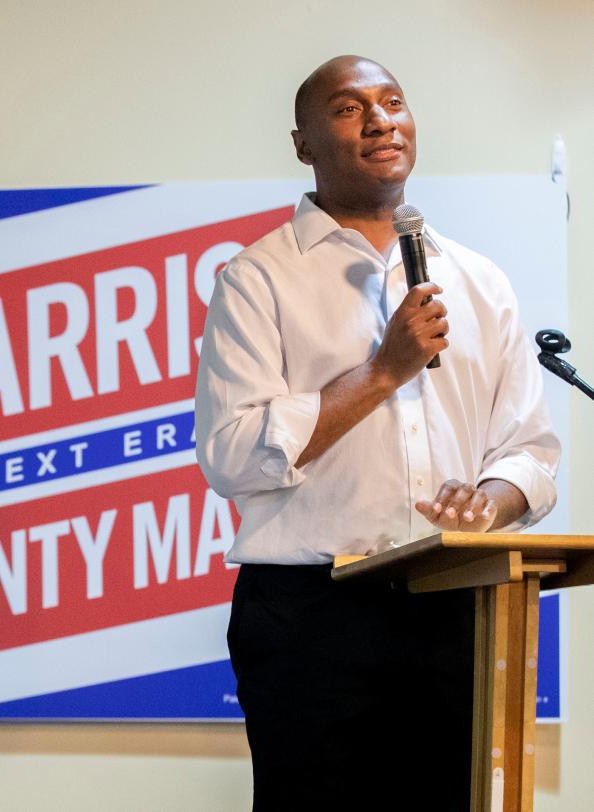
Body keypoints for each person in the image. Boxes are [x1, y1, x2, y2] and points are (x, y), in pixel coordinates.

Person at [195, 56, 559, 811]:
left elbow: (530, 451)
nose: (380, 120)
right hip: (311, 616)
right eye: (349, 108)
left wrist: (485, 506)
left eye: (393, 103)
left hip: (457, 599)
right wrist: (383, 371)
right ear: (304, 145)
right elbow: (232, 455)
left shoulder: (480, 280)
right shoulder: (257, 280)